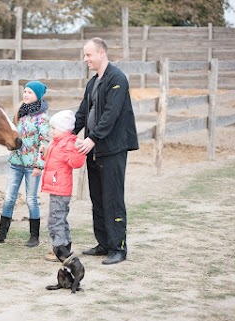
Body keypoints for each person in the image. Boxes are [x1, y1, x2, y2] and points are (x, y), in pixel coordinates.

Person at [73, 37, 139, 265]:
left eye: (89, 55)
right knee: (97, 198)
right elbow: (83, 113)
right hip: (93, 150)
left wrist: (92, 138)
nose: (86, 59)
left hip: (112, 149)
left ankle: (118, 248)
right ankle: (103, 243)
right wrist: (67, 134)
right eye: (85, 55)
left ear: (102, 53)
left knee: (113, 198)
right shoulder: (93, 83)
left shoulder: (117, 79)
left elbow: (111, 114)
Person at [0, 80, 50, 247]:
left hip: (32, 167)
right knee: (9, 198)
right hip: (16, 162)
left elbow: (45, 143)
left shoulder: (42, 118)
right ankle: (2, 233)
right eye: (25, 91)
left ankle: (34, 236)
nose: (25, 95)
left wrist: (39, 165)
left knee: (31, 199)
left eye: (30, 92)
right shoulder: (20, 114)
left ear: (37, 95)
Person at [40, 110, 86, 262]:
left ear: (65, 129)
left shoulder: (68, 144)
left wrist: (80, 151)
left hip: (61, 189)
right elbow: (52, 160)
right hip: (56, 187)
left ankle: (59, 250)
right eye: (51, 128)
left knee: (55, 220)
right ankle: (64, 246)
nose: (51, 131)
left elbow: (76, 163)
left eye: (54, 128)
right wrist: (44, 153)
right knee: (59, 218)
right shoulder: (56, 143)